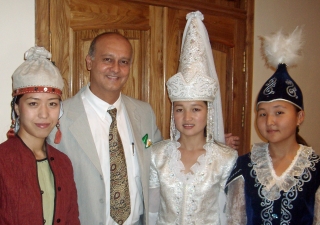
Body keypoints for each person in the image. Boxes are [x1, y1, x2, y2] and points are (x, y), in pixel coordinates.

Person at [48, 32, 162, 225]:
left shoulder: (144, 114)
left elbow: (161, 157)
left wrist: (205, 147)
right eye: (108, 59)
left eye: (124, 62)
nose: (116, 69)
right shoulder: (60, 116)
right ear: (89, 62)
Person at [148, 11, 238, 225]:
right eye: (180, 109)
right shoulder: (157, 154)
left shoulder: (225, 158)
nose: (187, 117)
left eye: (196, 109)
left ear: (209, 111)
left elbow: (227, 214)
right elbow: (152, 213)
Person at [225, 27, 320, 225]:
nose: (269, 121)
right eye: (262, 114)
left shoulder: (316, 170)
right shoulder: (244, 167)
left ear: (299, 116)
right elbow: (235, 219)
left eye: (279, 112)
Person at [0, 46, 80, 224]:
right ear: (17, 108)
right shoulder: (2, 161)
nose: (44, 114)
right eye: (33, 104)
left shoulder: (63, 163)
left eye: (52, 104)